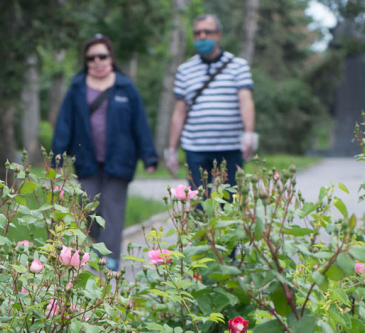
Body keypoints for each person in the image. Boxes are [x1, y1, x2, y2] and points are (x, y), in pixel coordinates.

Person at [52, 34, 158, 272]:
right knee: (86, 208)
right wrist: (57, 157)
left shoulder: (125, 86)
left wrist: (149, 155)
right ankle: (101, 249)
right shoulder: (77, 87)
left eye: (102, 55)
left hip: (120, 160)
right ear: (86, 60)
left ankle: (108, 262)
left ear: (111, 57)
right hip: (87, 160)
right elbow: (64, 125)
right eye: (92, 57)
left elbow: (139, 123)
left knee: (112, 210)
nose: (97, 61)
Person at [166, 14, 257, 196]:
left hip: (230, 147)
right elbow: (179, 112)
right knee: (199, 202)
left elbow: (246, 101)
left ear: (218, 35)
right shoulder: (185, 70)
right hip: (196, 148)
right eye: (197, 33)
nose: (202, 37)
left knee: (231, 201)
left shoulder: (238, 66)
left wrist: (249, 133)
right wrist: (171, 149)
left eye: (207, 32)